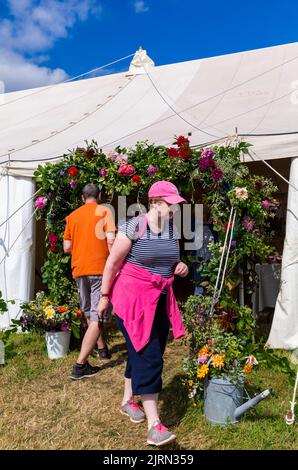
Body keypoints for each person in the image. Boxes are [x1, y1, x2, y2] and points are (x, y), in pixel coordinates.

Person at [97, 181, 188, 446]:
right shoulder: (134, 226)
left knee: (149, 350)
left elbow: (171, 260)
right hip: (133, 299)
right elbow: (112, 263)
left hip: (158, 299)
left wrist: (179, 265)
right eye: (171, 204)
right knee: (148, 355)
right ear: (156, 202)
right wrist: (104, 297)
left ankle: (128, 401)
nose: (175, 209)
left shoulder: (171, 229)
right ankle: (154, 425)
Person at [63, 184, 116, 380]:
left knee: (90, 312)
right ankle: (80, 365)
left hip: (79, 269)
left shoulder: (73, 216)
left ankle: (102, 349)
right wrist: (115, 264)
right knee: (98, 314)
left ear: (83, 197)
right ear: (99, 195)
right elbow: (111, 240)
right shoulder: (105, 212)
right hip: (100, 269)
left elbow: (67, 248)